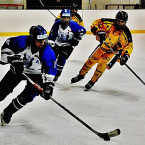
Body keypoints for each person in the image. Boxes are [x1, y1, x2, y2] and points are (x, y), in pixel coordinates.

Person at [0, 25, 57, 125]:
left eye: (44, 40)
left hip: (36, 74)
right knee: (1, 91)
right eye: (39, 41)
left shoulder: (48, 52)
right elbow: (5, 51)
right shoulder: (21, 41)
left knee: (28, 96)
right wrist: (12, 59)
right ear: (32, 39)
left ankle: (8, 112)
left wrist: (48, 86)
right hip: (18, 69)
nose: (42, 43)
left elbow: (50, 70)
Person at [71, 11, 133, 90]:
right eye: (118, 21)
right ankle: (80, 75)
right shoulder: (108, 23)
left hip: (111, 53)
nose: (120, 23)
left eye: (122, 22)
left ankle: (92, 81)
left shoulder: (126, 34)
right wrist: (98, 32)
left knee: (101, 66)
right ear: (116, 19)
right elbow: (95, 24)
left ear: (125, 22)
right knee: (89, 62)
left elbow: (129, 46)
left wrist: (125, 56)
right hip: (102, 48)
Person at [48, 9, 86, 81]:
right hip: (57, 43)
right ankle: (49, 71)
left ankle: (58, 74)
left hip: (68, 45)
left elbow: (83, 30)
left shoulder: (73, 24)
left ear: (70, 18)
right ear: (61, 17)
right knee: (52, 58)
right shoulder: (57, 24)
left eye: (67, 18)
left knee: (61, 60)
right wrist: (51, 43)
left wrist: (77, 37)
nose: (65, 20)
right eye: (64, 17)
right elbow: (52, 35)